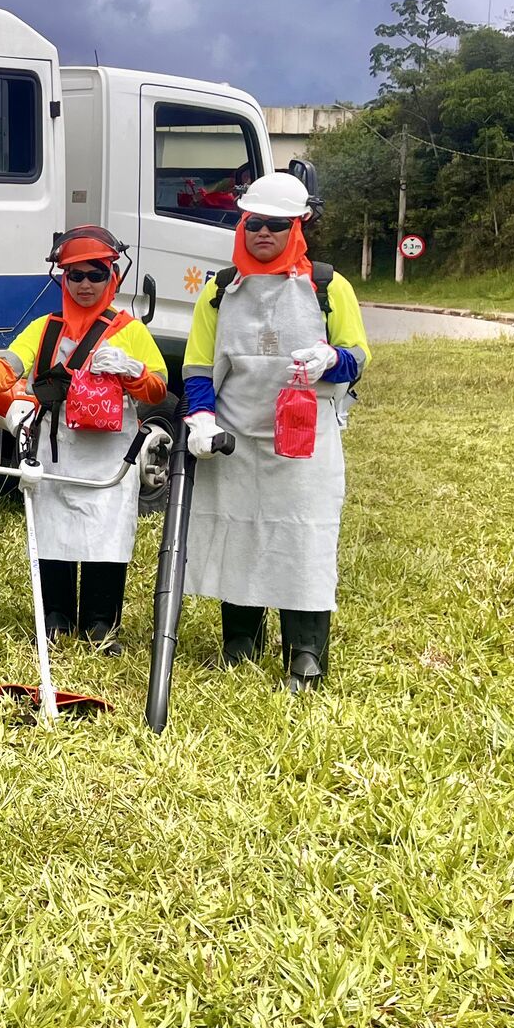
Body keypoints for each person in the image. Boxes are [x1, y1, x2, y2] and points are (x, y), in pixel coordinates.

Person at [180, 172, 369, 693]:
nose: (263, 232)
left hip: (304, 440)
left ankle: (305, 652)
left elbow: (359, 357)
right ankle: (240, 643)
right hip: (237, 436)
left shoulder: (330, 288)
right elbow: (199, 366)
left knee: (302, 538)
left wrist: (331, 360)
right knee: (237, 533)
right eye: (254, 222)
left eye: (276, 225)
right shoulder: (219, 291)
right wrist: (201, 416)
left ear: (297, 228)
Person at [0, 226, 169, 653]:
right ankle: (55, 618)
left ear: (113, 278)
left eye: (96, 274)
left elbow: (158, 388)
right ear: (62, 279)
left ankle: (102, 625)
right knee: (53, 530)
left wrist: (133, 371)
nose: (85, 284)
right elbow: (9, 363)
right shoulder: (44, 328)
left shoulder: (130, 331)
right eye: (75, 275)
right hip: (55, 445)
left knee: (108, 532)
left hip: (110, 451)